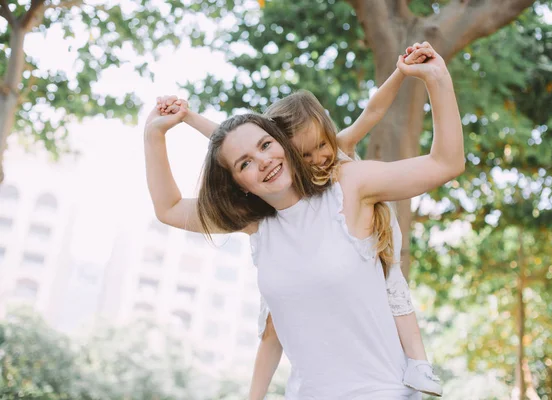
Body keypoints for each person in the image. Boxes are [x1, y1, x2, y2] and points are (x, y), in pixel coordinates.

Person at [144, 43, 463, 399]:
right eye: (245, 164)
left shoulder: (348, 187)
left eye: (266, 146)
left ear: (285, 144)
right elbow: (169, 208)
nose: (262, 161)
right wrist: (154, 134)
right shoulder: (258, 226)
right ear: (239, 184)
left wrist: (436, 78)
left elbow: (445, 163)